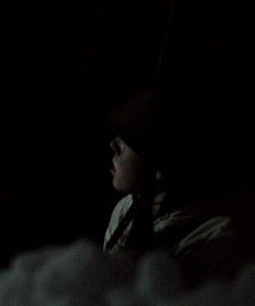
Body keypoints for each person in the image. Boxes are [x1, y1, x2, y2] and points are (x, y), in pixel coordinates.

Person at [103, 88, 255, 286]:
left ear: (162, 165)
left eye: (129, 139)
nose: (113, 145)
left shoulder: (219, 237)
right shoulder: (125, 209)